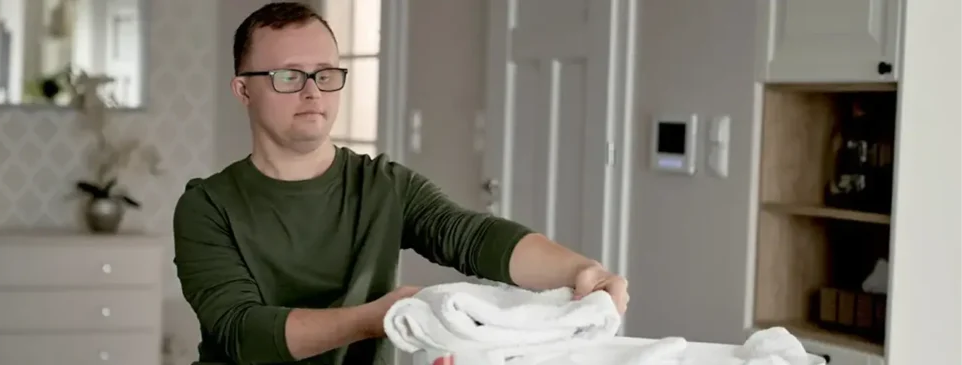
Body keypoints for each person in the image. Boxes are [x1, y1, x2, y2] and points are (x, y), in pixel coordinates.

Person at [172, 2, 629, 365]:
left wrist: (581, 270)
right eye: (289, 76)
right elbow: (243, 332)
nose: (313, 91)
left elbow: (473, 236)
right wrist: (374, 319)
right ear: (243, 90)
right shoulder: (207, 207)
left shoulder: (384, 185)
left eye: (325, 74)